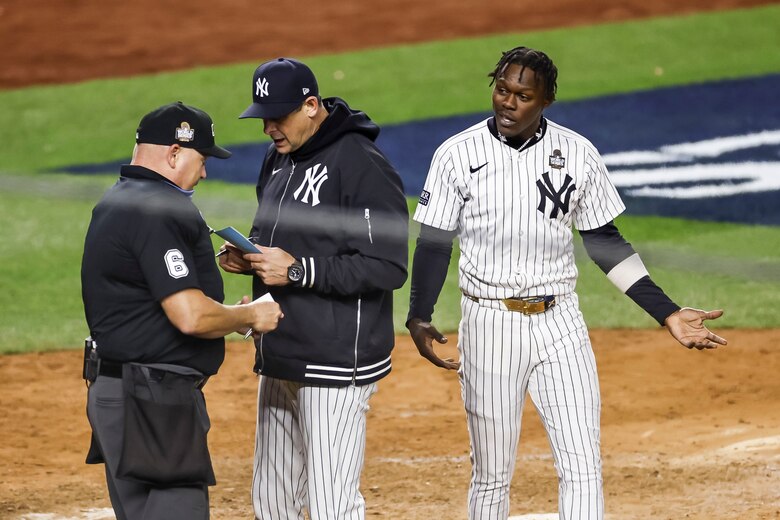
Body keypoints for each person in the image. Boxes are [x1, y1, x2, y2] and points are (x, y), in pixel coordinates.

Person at [405, 46, 728, 520]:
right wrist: (418, 315)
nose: (508, 103)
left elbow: (605, 243)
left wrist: (667, 312)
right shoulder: (456, 154)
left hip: (561, 325)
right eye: (501, 90)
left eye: (523, 95)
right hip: (490, 322)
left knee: (582, 464)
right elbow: (434, 243)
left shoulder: (578, 153)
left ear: (546, 101)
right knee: (492, 473)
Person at [217, 57, 409, 520]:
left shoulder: (360, 164)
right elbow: (276, 239)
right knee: (272, 502)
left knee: (331, 506)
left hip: (336, 360)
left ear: (310, 106)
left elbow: (387, 265)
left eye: (277, 116)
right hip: (280, 352)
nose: (268, 128)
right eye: (262, 116)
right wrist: (251, 257)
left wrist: (300, 271)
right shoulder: (277, 158)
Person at [81, 101, 283, 520]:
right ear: (174, 153)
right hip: (154, 400)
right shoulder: (159, 208)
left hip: (117, 390)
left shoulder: (118, 199)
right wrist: (248, 317)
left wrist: (226, 314)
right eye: (202, 158)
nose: (205, 171)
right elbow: (189, 316)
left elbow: (151, 304)